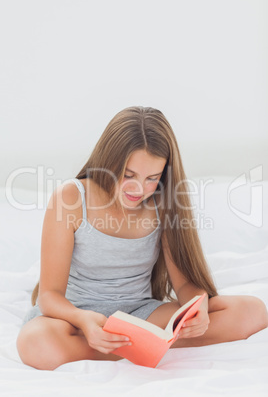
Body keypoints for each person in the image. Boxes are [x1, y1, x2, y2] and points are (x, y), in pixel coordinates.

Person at [16, 106, 268, 370]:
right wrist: (83, 320)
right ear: (108, 162)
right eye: (128, 175)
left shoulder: (163, 201)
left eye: (152, 178)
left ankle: (129, 347)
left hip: (141, 314)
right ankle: (142, 348)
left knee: (252, 311)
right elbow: (49, 295)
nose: (139, 189)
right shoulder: (70, 198)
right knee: (35, 342)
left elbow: (184, 286)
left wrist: (198, 308)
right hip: (77, 318)